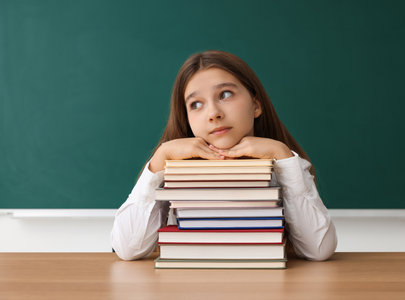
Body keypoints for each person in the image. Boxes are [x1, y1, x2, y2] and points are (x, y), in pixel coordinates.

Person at [111, 50, 337, 261]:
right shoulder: (171, 169)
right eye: (196, 104)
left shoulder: (286, 163)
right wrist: (160, 160)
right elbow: (128, 249)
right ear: (187, 118)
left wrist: (282, 155)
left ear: (256, 105)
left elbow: (318, 249)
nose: (214, 114)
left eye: (226, 94)